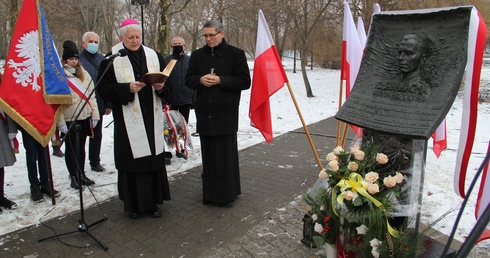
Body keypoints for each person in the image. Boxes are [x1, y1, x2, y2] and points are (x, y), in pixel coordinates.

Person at [97, 18, 171, 219]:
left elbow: (167, 82)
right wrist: (126, 88)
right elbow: (102, 89)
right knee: (133, 162)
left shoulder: (153, 55)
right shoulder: (111, 59)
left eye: (138, 36)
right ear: (121, 37)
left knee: (152, 160)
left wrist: (161, 87)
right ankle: (134, 206)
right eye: (130, 37)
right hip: (128, 121)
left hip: (152, 118)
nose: (135, 40)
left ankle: (154, 203)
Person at [185, 20, 251, 207]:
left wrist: (221, 80)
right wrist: (200, 80)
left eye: (211, 35)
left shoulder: (236, 54)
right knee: (209, 156)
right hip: (205, 113)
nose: (208, 39)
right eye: (205, 36)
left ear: (221, 34)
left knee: (225, 156)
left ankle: (227, 194)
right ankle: (210, 194)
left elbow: (245, 81)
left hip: (226, 112)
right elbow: (188, 79)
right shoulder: (197, 55)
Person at [57, 40, 99, 190]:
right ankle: (73, 175)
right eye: (71, 59)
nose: (74, 61)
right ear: (65, 60)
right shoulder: (60, 75)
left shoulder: (84, 74)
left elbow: (91, 95)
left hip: (84, 116)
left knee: (81, 147)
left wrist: (94, 115)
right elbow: (58, 102)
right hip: (70, 118)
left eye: (76, 58)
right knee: (71, 149)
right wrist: (60, 122)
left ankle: (81, 173)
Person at [79, 31, 112, 172]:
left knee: (97, 134)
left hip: (98, 103)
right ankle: (78, 165)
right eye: (90, 41)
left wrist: (108, 103)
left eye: (96, 42)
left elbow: (107, 82)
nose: (93, 44)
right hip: (81, 105)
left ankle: (95, 161)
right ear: (83, 43)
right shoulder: (78, 60)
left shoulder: (102, 59)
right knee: (80, 138)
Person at [162, 36, 195, 163]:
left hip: (186, 99)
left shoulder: (190, 61)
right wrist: (164, 99)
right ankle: (167, 151)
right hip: (171, 100)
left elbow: (194, 79)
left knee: (182, 126)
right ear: (171, 46)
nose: (177, 46)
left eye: (179, 44)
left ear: (184, 46)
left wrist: (194, 98)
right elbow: (162, 81)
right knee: (168, 127)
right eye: (175, 44)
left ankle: (180, 149)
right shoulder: (166, 61)